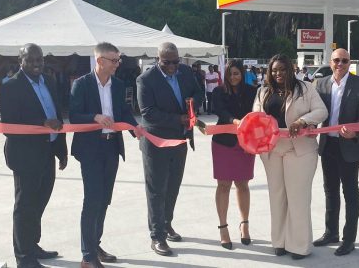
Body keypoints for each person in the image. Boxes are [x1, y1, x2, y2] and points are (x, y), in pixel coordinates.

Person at [70, 42, 138, 268]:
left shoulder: (118, 85)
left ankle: (94, 245)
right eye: (113, 60)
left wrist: (135, 128)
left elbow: (125, 112)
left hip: (111, 148)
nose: (118, 64)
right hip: (90, 149)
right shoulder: (81, 84)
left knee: (104, 200)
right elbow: (73, 116)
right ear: (100, 61)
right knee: (92, 200)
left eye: (118, 60)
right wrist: (95, 117)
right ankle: (87, 256)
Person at [253, 54, 327, 260]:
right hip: (272, 151)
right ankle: (279, 242)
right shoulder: (263, 91)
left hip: (300, 150)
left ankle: (300, 246)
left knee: (298, 198)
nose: (278, 73)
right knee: (277, 197)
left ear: (290, 70)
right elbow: (255, 116)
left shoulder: (305, 88)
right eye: (275, 70)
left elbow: (322, 111)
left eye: (282, 69)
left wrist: (302, 121)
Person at [0, 43, 68, 268]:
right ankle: (24, 257)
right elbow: (9, 125)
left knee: (39, 202)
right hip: (25, 156)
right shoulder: (10, 86)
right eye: (31, 60)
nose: (37, 64)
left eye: (40, 60)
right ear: (21, 61)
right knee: (25, 205)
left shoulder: (49, 80)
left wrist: (61, 151)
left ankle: (32, 245)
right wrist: (41, 123)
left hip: (48, 152)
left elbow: (57, 115)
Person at [136, 42, 203, 256]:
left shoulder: (184, 72)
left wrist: (194, 103)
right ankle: (157, 236)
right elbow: (148, 113)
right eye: (167, 62)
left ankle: (167, 223)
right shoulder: (145, 80)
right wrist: (179, 119)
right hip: (156, 142)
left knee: (173, 185)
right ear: (158, 59)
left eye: (176, 61)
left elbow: (198, 92)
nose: (173, 66)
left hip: (180, 139)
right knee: (157, 190)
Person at [314, 48, 359, 256]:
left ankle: (349, 240)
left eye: (344, 61)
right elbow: (315, 112)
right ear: (330, 62)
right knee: (330, 191)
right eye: (336, 60)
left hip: (350, 146)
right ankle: (331, 233)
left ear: (350, 63)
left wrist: (356, 133)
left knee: (350, 193)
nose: (340, 64)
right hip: (328, 146)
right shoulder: (321, 84)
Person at [211, 59, 257, 250]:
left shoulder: (252, 90)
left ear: (242, 73)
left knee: (242, 184)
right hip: (223, 142)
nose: (233, 77)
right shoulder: (218, 91)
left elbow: (258, 110)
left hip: (246, 143)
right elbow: (218, 110)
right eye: (230, 74)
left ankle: (244, 224)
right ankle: (223, 228)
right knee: (223, 185)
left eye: (236, 73)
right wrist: (233, 120)